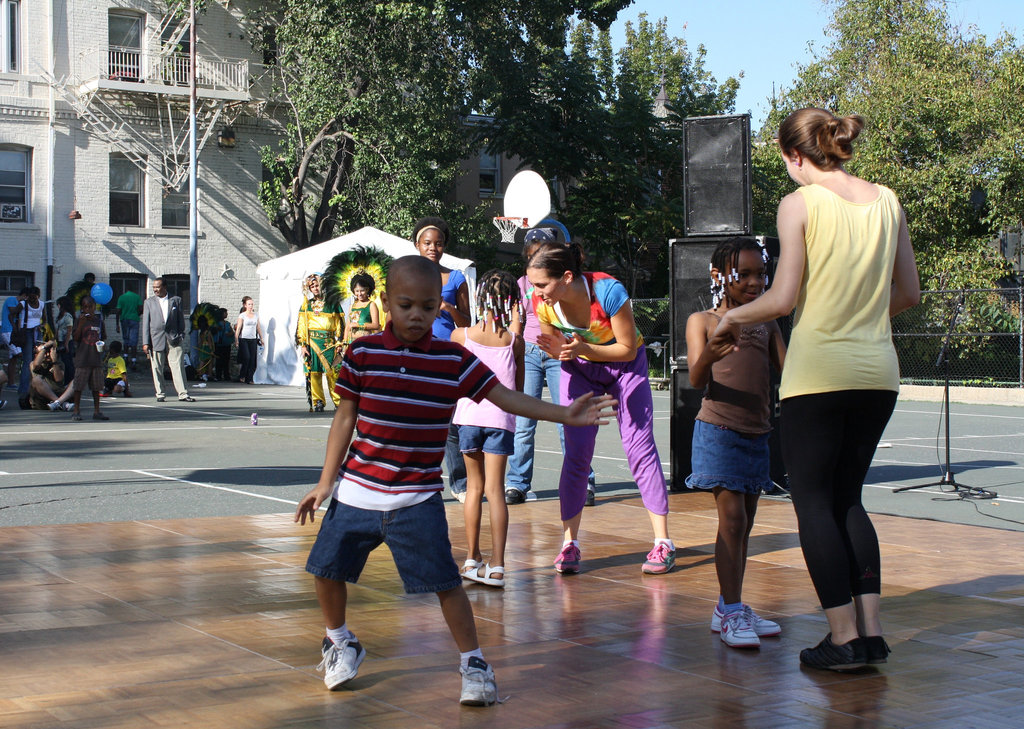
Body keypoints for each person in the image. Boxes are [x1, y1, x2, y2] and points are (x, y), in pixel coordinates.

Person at [294, 255, 616, 704]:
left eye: (428, 307)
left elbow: (505, 397)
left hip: (416, 500)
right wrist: (326, 483)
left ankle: (475, 664)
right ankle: (339, 640)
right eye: (406, 305)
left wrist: (564, 413)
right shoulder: (362, 354)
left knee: (447, 586)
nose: (416, 315)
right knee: (326, 572)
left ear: (438, 309)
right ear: (387, 303)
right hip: (357, 492)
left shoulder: (452, 359)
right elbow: (344, 418)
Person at [714, 108, 920, 670]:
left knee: (813, 505)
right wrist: (863, 316)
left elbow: (782, 299)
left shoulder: (799, 204)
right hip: (878, 372)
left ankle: (843, 637)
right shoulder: (888, 200)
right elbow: (909, 292)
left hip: (818, 376)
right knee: (848, 497)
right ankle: (871, 632)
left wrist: (731, 320)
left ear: (794, 155)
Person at [528, 240, 675, 575]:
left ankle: (663, 543)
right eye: (533, 284)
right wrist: (560, 351)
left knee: (639, 448)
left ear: (566, 277)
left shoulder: (608, 291)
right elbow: (558, 350)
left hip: (625, 366)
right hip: (580, 370)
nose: (535, 291)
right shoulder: (543, 303)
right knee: (577, 452)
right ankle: (569, 543)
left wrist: (580, 349)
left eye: (541, 284)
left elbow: (625, 349)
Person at [685, 237, 787, 649]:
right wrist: (709, 353)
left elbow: (788, 370)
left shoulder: (768, 322)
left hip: (757, 435)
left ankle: (731, 605)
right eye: (743, 274)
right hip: (719, 433)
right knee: (732, 522)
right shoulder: (703, 321)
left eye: (760, 274)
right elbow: (695, 379)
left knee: (744, 527)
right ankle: (730, 609)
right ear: (719, 277)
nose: (753, 282)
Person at [505, 228, 597, 506]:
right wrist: (515, 349)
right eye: (532, 255)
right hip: (531, 352)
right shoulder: (521, 284)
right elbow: (516, 321)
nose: (536, 259)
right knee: (523, 422)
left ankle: (583, 481)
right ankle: (517, 483)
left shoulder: (564, 283)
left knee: (566, 419)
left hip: (559, 350)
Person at [451, 270, 524, 589]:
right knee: (496, 491)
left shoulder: (460, 336)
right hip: (500, 421)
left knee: (473, 488)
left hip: (468, 417)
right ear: (511, 304)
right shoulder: (513, 341)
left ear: (479, 298)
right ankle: (498, 565)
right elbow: (517, 389)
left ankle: (471, 557)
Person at [412, 216, 471, 502]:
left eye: (438, 243)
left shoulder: (456, 278)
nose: (433, 248)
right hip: (415, 353)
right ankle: (418, 482)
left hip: (447, 355)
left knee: (450, 424)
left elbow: (469, 321)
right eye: (427, 243)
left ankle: (460, 483)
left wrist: (447, 307)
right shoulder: (409, 275)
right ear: (417, 245)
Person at [141, 277, 195, 403]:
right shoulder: (149, 302)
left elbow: (180, 320)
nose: (155, 290)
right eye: (154, 287)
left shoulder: (175, 300)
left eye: (158, 287)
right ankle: (160, 393)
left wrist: (181, 335)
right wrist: (145, 342)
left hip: (174, 338)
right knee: (157, 368)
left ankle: (183, 393)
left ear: (165, 287)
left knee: (178, 366)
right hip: (156, 339)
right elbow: (146, 324)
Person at [295, 274, 343, 411]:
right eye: (312, 286)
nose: (315, 288)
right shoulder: (307, 305)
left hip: (329, 342)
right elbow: (302, 325)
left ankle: (338, 401)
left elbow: (339, 323)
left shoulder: (332, 303)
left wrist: (339, 342)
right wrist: (303, 344)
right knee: (314, 373)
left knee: (333, 372)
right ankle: (318, 401)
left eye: (317, 285)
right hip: (312, 342)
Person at [71, 295, 109, 421]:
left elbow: (103, 337)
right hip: (83, 358)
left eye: (90, 307)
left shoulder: (98, 321)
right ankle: (76, 410)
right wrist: (81, 324)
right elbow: (75, 338)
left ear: (94, 307)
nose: (87, 310)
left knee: (96, 387)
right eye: (85, 307)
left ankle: (97, 411)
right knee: (78, 386)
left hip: (95, 358)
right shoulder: (79, 320)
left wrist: (102, 346)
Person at [11, 286, 44, 408]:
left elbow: (44, 318)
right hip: (27, 332)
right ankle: (23, 390)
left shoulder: (41, 304)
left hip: (37, 331)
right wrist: (15, 328)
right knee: (27, 361)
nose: (33, 301)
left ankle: (36, 388)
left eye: (35, 298)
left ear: (38, 296)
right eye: (30, 298)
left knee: (39, 360)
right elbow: (11, 314)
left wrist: (42, 325)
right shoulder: (23, 304)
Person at [27, 340, 75, 411]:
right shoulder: (33, 364)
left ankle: (58, 402)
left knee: (76, 381)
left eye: (49, 352)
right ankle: (60, 403)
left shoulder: (59, 364)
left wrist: (54, 362)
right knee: (36, 380)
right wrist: (44, 348)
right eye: (45, 353)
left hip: (58, 393)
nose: (47, 355)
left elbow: (59, 379)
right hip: (42, 398)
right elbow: (36, 365)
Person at [342, 272, 381, 349]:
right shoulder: (352, 306)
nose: (359, 294)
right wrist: (344, 343)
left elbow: (376, 325)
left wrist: (358, 325)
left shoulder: (371, 305)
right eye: (357, 291)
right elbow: (347, 327)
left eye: (362, 290)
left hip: (366, 343)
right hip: (351, 343)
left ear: (367, 290)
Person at [235, 295, 263, 385]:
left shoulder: (256, 315)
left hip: (253, 339)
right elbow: (239, 328)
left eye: (252, 304)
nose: (251, 306)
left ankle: (249, 378)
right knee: (246, 357)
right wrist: (236, 339)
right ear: (245, 305)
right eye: (249, 304)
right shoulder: (242, 315)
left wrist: (261, 338)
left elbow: (258, 327)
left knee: (252, 359)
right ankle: (242, 375)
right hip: (244, 338)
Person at [115, 285, 143, 370]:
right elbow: (141, 309)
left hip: (124, 319)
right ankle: (134, 360)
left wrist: (117, 324)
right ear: (133, 290)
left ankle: (125, 357)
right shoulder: (137, 297)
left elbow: (118, 311)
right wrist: (136, 315)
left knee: (126, 339)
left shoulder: (122, 297)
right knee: (133, 341)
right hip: (134, 319)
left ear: (126, 290)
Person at [2, 289, 26, 388]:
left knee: (13, 358)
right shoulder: (12, 300)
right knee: (20, 354)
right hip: (7, 331)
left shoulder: (21, 307)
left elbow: (20, 321)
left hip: (14, 333)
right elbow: (12, 311)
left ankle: (10, 382)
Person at [54, 296, 76, 387]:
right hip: (59, 340)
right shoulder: (60, 315)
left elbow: (69, 330)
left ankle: (70, 381)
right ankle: (66, 381)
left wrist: (66, 343)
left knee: (68, 362)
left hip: (66, 341)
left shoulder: (68, 316)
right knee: (63, 361)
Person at [213, 308, 233, 382]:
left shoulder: (227, 323)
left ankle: (226, 375)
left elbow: (232, 332)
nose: (226, 314)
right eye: (225, 313)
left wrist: (229, 334)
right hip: (218, 344)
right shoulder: (216, 324)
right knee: (219, 360)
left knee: (226, 360)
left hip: (226, 344)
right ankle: (218, 375)